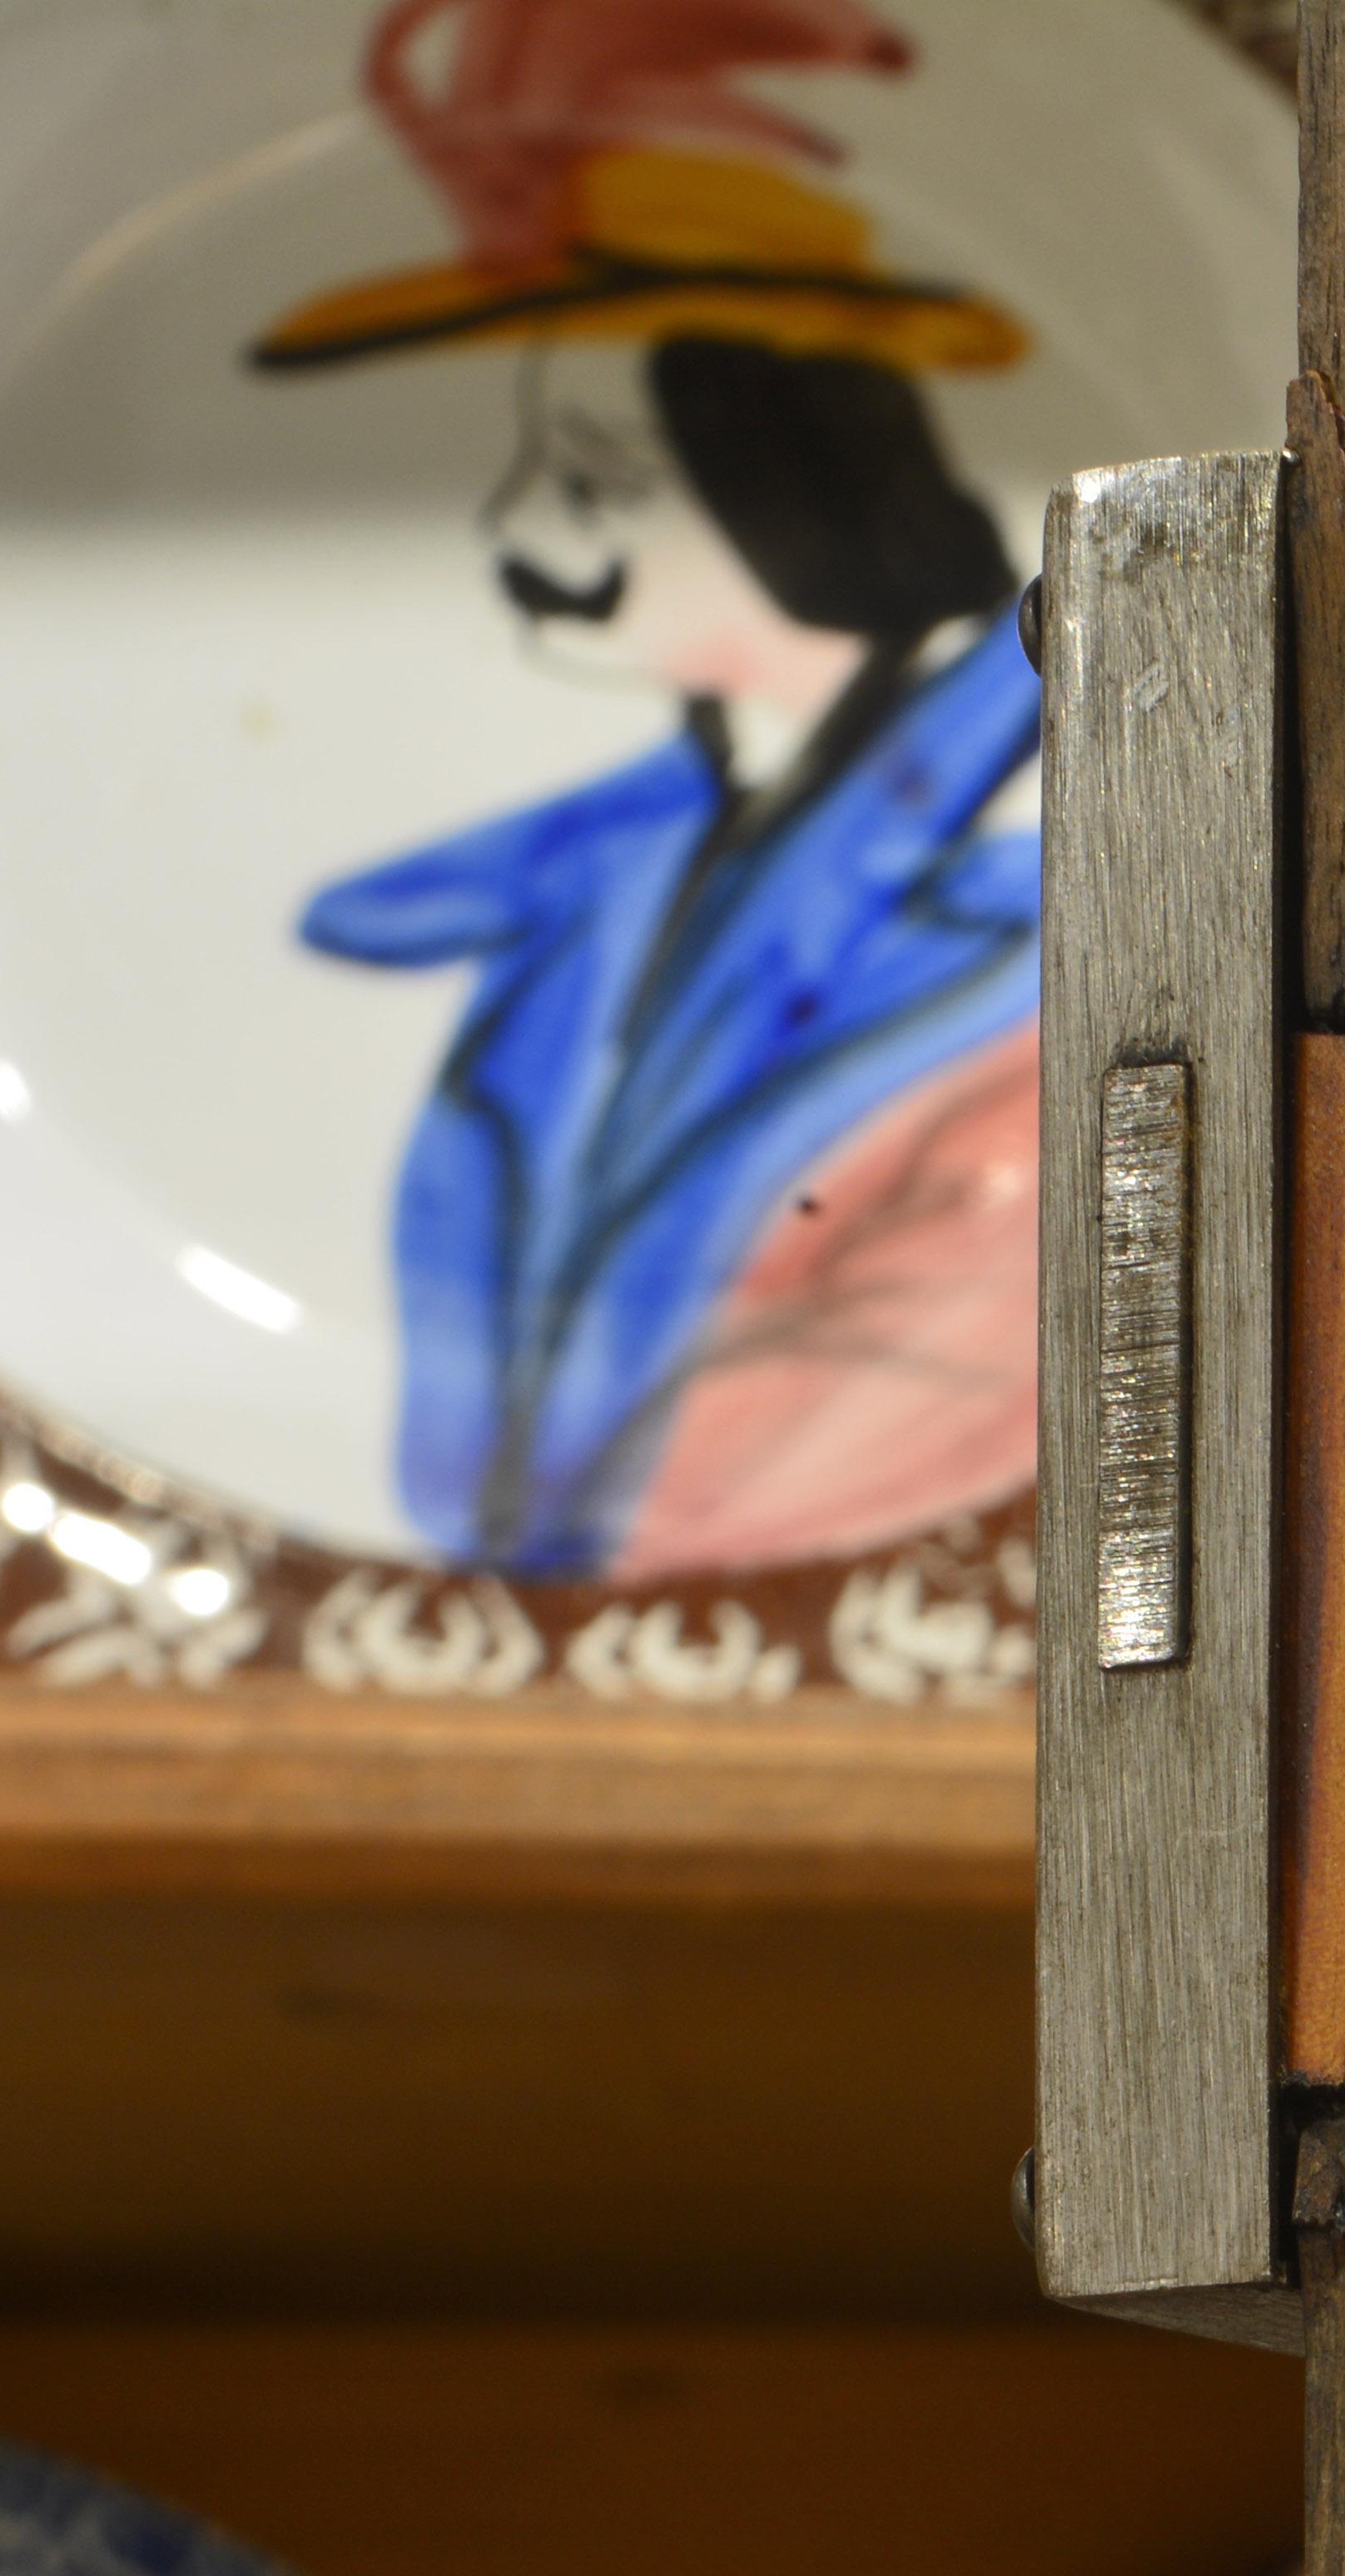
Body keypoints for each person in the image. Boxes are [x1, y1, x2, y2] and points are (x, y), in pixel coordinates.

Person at [255, 0, 1041, 1578]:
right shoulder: (596, 887)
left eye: (597, 475)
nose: (513, 522)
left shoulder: (1042, 924)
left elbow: (841, 1439)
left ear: (793, 492)